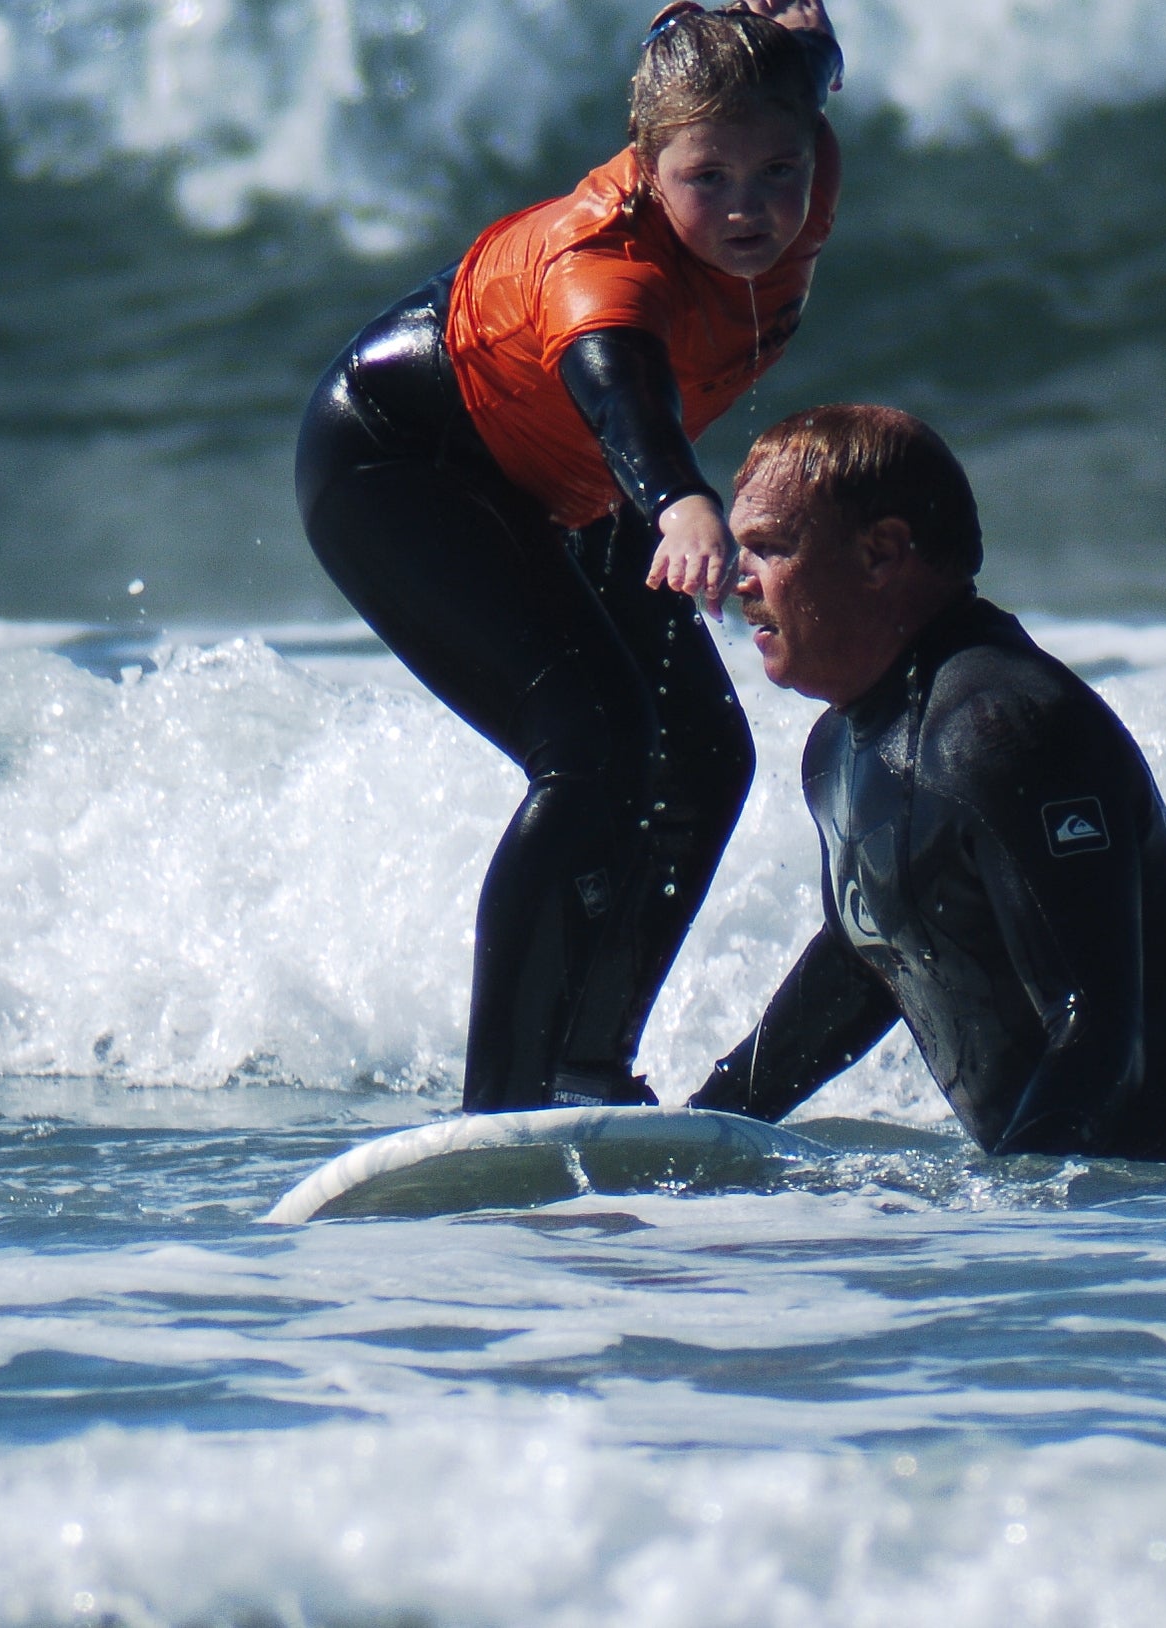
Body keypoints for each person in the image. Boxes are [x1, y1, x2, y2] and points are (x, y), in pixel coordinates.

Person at [296, 1, 845, 1112]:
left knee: (701, 757)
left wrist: (803, 35)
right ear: (647, 166)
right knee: (589, 747)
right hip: (400, 463)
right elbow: (619, 391)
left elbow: (804, 73)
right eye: (708, 178)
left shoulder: (799, 151)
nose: (750, 205)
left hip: (563, 480)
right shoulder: (605, 265)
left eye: (776, 169)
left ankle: (587, 1062)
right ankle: (496, 1105)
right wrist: (680, 499)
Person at [691, 405, 1166, 1159]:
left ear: (882, 553)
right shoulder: (838, 748)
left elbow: (1098, 1028)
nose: (737, 579)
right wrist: (704, 1124)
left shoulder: (1003, 729)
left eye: (769, 548)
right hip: (1129, 1207)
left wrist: (1023, 1215)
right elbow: (870, 960)